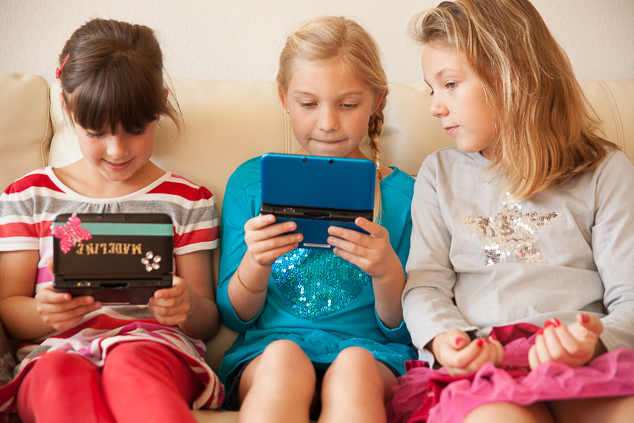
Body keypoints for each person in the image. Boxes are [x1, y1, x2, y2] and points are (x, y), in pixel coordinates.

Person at [387, 1, 634, 422]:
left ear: (510, 78)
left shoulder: (605, 170)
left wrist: (593, 343)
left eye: (450, 84)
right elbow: (426, 285)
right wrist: (446, 338)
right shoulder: (438, 173)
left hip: (585, 361)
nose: (435, 106)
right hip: (486, 366)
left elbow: (629, 295)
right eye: (433, 89)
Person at [0, 18, 223, 423]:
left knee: (132, 363)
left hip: (154, 346)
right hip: (55, 351)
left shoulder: (187, 200)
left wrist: (185, 305)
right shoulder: (28, 196)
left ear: (160, 105)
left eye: (135, 130)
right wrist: (43, 312)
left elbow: (206, 320)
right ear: (68, 109)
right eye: (97, 132)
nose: (117, 150)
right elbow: (9, 307)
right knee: (55, 375)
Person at [216, 16, 417, 423]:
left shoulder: (408, 196)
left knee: (355, 367)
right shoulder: (251, 183)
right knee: (283, 361)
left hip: (373, 354)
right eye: (308, 104)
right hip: (269, 350)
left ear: (376, 100)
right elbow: (234, 315)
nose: (327, 122)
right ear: (284, 98)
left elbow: (403, 328)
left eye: (348, 104)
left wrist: (386, 271)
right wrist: (255, 263)